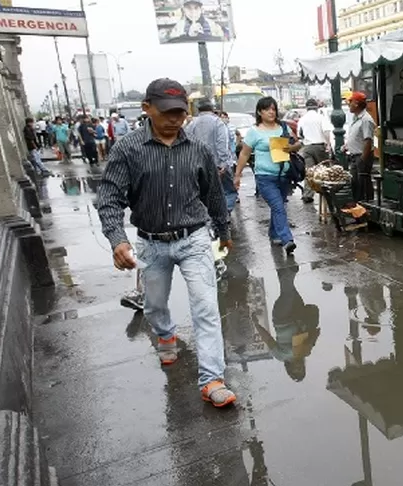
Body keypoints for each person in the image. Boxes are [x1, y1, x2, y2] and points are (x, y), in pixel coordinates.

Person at [96, 78, 236, 408]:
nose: (175, 119)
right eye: (167, 113)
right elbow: (110, 198)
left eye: (180, 113)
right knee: (155, 304)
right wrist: (117, 240)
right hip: (150, 243)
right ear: (147, 109)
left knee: (206, 309)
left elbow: (213, 195)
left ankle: (212, 379)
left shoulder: (197, 150)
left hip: (194, 239)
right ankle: (165, 333)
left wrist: (224, 230)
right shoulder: (128, 148)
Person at [235, 96, 297, 255]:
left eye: (273, 109)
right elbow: (244, 154)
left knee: (279, 206)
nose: (271, 112)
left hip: (284, 174)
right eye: (267, 109)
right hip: (265, 177)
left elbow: (297, 143)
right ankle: (287, 239)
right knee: (278, 206)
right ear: (259, 112)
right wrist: (237, 175)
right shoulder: (254, 131)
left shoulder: (283, 127)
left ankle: (274, 233)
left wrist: (291, 147)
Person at [186, 98, 237, 213]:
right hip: (217, 164)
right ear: (212, 108)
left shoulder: (192, 124)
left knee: (204, 192)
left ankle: (210, 215)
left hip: (197, 165)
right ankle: (224, 213)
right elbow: (222, 144)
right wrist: (223, 163)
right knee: (227, 191)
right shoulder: (218, 123)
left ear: (198, 109)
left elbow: (188, 145)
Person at [296, 99, 332, 204]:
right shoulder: (321, 118)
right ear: (317, 107)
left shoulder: (302, 119)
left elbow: (300, 136)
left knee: (310, 172)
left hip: (307, 148)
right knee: (324, 170)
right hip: (320, 146)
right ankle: (327, 192)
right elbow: (326, 131)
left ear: (307, 108)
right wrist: (328, 144)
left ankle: (308, 194)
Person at [343, 91, 375, 202]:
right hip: (354, 156)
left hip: (361, 156)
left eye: (350, 102)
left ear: (356, 104)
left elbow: (368, 141)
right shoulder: (356, 118)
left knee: (363, 185)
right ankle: (358, 210)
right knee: (356, 184)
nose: (348, 104)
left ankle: (366, 209)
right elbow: (357, 137)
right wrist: (347, 146)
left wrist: (362, 159)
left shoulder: (366, 119)